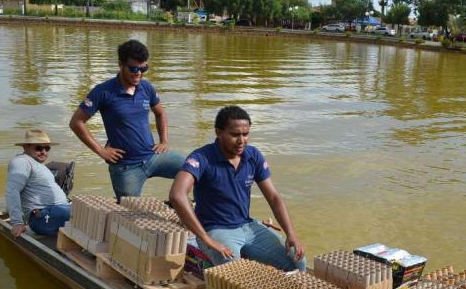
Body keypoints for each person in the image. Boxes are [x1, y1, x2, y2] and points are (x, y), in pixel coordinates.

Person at [169, 106, 306, 272]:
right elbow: (177, 195)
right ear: (218, 133)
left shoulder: (253, 156)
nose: (242, 140)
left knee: (297, 260)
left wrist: (291, 234)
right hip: (216, 230)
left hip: (247, 226)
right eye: (235, 134)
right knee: (237, 273)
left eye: (245, 134)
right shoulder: (202, 158)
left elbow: (274, 197)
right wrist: (205, 238)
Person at [69, 39, 185, 200]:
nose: (139, 73)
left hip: (152, 157)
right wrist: (101, 151)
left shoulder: (147, 88)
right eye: (133, 68)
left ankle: (184, 204)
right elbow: (76, 122)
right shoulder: (102, 92)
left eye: (143, 68)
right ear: (120, 65)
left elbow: (160, 113)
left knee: (194, 169)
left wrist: (164, 141)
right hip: (126, 168)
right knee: (130, 215)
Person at [6, 129, 71, 237]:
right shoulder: (22, 161)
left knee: (88, 209)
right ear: (25, 147)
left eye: (47, 148)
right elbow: (12, 191)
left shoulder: (37, 165)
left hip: (56, 212)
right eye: (39, 148)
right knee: (88, 214)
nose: (44, 152)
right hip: (43, 217)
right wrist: (17, 222)